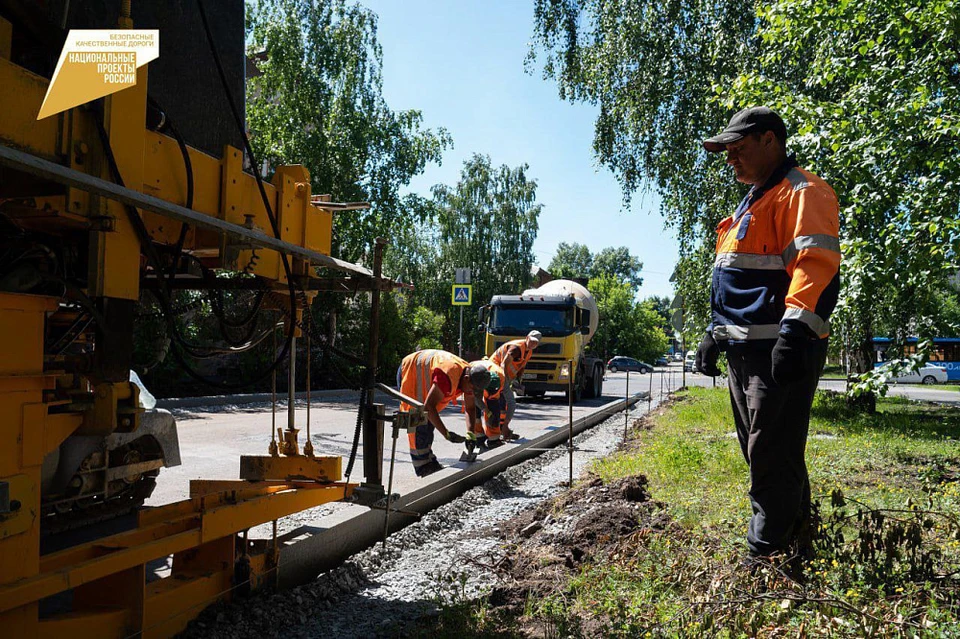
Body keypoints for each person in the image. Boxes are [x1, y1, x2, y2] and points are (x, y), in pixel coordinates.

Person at [696, 106, 841, 560]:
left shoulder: (802, 192)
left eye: (738, 148)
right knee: (766, 450)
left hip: (777, 351)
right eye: (727, 152)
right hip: (747, 351)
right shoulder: (757, 198)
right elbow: (738, 281)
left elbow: (815, 268)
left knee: (770, 456)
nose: (730, 159)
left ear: (770, 141)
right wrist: (713, 334)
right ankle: (797, 541)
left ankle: (767, 556)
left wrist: (795, 334)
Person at [397, 349, 491, 477]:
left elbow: (470, 408)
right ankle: (423, 466)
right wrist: (446, 434)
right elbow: (429, 407)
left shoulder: (469, 378)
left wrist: (470, 433)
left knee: (428, 421)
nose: (471, 393)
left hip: (424, 373)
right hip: (411, 370)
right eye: (472, 390)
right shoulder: (447, 375)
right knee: (418, 420)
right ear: (467, 379)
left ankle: (429, 460)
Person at [490, 330, 542, 439]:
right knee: (511, 403)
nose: (532, 344)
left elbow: (521, 366)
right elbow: (504, 364)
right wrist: (505, 381)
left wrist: (518, 380)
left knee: (503, 404)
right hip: (495, 374)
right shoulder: (516, 348)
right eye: (531, 341)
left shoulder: (528, 351)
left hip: (503, 377)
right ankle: (503, 430)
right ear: (527, 338)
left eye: (535, 343)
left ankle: (501, 430)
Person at [464, 358, 508, 450]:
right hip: (476, 376)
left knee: (494, 409)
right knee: (474, 411)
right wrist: (487, 412)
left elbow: (494, 400)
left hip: (489, 378)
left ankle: (493, 439)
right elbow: (477, 399)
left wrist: (492, 414)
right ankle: (478, 437)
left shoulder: (501, 378)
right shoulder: (475, 377)